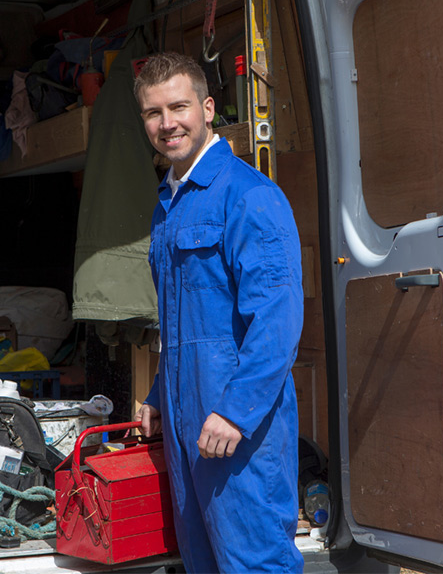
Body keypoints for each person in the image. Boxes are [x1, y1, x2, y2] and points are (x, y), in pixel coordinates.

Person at [133, 52, 305, 573]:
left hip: (239, 431)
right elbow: (184, 323)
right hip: (189, 428)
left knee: (255, 563)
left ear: (207, 108)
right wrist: (160, 394)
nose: (168, 124)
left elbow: (277, 322)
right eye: (153, 113)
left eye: (179, 107)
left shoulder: (249, 196)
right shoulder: (171, 202)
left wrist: (236, 411)